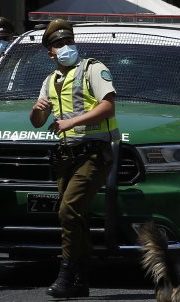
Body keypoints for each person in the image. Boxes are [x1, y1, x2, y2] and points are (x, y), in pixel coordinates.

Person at [29, 19, 117, 298]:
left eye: (68, 42)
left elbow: (108, 106)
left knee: (68, 211)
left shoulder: (92, 69)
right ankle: (81, 278)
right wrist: (38, 109)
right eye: (58, 44)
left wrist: (72, 122)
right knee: (77, 217)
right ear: (50, 52)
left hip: (94, 153)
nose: (65, 47)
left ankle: (66, 274)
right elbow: (37, 121)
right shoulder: (50, 81)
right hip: (66, 157)